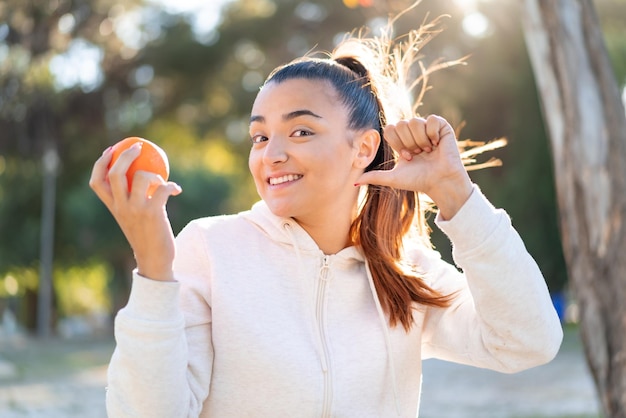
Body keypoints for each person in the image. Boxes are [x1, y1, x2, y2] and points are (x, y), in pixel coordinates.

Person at [90, 16, 563, 418]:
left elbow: (528, 342)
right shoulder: (210, 249)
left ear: (363, 147)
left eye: (300, 130)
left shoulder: (403, 272)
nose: (271, 155)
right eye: (259, 137)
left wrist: (458, 196)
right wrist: (154, 267)